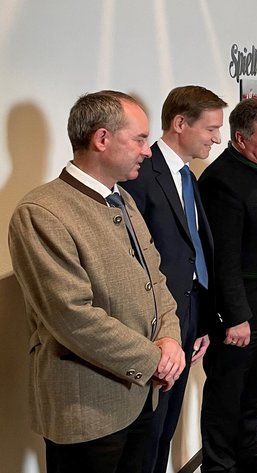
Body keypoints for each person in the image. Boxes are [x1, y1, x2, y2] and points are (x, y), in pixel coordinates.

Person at [8, 90, 185, 473]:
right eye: (140, 139)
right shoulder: (41, 212)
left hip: (142, 396)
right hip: (88, 410)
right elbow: (72, 317)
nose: (148, 151)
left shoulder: (123, 200)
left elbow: (156, 281)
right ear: (102, 138)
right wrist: (155, 359)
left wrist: (170, 337)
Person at [120, 85, 226, 473]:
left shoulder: (188, 177)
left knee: (166, 427)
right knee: (147, 436)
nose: (217, 138)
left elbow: (193, 255)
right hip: (155, 329)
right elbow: (134, 262)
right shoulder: (140, 176)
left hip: (188, 317)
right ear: (180, 123)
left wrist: (201, 321)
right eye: (211, 128)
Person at [198, 98, 257, 473]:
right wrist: (237, 316)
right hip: (241, 316)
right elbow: (223, 258)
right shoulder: (221, 180)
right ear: (240, 138)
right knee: (227, 395)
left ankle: (248, 454)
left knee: (255, 390)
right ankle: (220, 466)